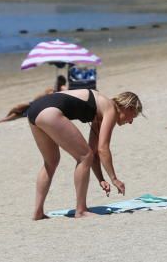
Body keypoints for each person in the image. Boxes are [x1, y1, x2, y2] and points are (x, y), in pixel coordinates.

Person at [25, 88, 142, 220]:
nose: (131, 121)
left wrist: (101, 179)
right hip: (49, 111)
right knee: (84, 156)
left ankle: (38, 212)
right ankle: (81, 210)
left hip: (34, 110)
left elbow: (95, 151)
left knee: (51, 161)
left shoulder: (100, 109)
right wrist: (114, 179)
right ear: (129, 107)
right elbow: (103, 148)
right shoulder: (111, 108)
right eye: (134, 115)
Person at [0, 75, 66, 124]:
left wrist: (56, 92)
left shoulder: (60, 90)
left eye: (58, 81)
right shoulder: (51, 89)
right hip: (32, 103)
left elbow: (63, 93)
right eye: (56, 81)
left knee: (15, 115)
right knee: (16, 108)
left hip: (38, 107)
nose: (56, 82)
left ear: (61, 83)